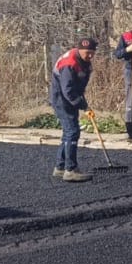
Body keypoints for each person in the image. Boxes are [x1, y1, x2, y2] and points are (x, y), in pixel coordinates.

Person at [50, 37, 97, 182]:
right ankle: (70, 169)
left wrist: (85, 104)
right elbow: (68, 90)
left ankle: (60, 167)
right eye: (87, 53)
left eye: (92, 53)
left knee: (68, 132)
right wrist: (81, 105)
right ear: (79, 50)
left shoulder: (84, 63)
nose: (89, 56)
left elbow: (79, 87)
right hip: (62, 100)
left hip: (69, 99)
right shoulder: (69, 63)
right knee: (72, 131)